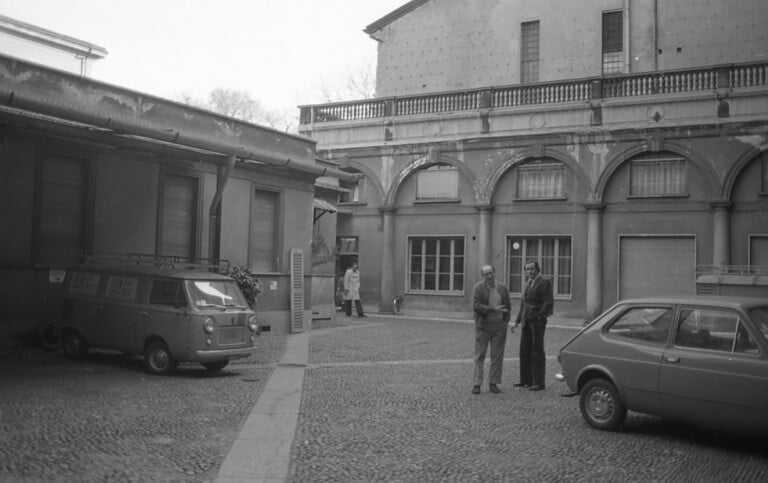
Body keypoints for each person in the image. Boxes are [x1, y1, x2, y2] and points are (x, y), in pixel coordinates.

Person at [512, 260, 554, 391]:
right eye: (527, 269)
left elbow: (549, 302)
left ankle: (539, 382)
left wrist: (540, 316)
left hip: (537, 321)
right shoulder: (527, 283)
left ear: (537, 269)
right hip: (526, 320)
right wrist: (517, 321)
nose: (529, 271)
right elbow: (523, 304)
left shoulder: (545, 282)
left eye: (532, 269)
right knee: (524, 350)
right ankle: (526, 380)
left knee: (537, 350)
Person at [471, 264, 511, 395]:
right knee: (479, 356)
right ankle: (477, 383)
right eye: (486, 274)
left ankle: (493, 383)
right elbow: (476, 306)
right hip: (483, 326)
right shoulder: (478, 288)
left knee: (497, 356)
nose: (489, 276)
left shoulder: (503, 288)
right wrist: (492, 309)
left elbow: (508, 305)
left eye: (491, 273)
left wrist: (506, 321)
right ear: (483, 276)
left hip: (499, 327)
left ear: (495, 272)